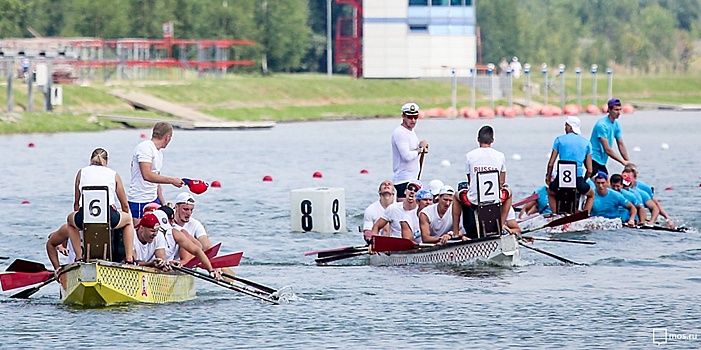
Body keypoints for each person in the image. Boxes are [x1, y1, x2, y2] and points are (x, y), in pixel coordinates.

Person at [46, 148, 136, 272]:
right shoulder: (113, 174)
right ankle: (130, 258)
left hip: (85, 214)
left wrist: (80, 221)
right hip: (109, 216)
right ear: (107, 160)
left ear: (90, 160)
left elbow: (76, 203)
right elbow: (124, 205)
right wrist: (124, 215)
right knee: (128, 220)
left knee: (70, 221)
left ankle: (78, 257)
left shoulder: (81, 172)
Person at [127, 122, 184, 227]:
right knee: (141, 232)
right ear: (167, 137)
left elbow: (156, 180)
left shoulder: (159, 153)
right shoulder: (145, 148)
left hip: (153, 198)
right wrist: (172, 181)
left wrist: (163, 203)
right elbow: (147, 175)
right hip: (140, 198)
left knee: (160, 228)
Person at [459, 125, 512, 229]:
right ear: (492, 140)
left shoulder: (469, 155)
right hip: (495, 199)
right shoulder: (500, 155)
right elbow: (502, 181)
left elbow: (470, 181)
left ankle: (456, 231)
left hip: (474, 199)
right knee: (509, 193)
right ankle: (501, 224)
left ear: (478, 139)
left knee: (456, 196)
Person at [153, 207, 221, 280]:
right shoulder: (148, 235)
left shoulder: (174, 232)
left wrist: (210, 270)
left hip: (166, 267)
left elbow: (197, 249)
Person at [545, 116, 595, 214]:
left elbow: (551, 164)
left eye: (566, 126)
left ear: (570, 127)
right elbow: (589, 170)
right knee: (591, 194)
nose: (565, 128)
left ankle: (555, 214)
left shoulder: (559, 140)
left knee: (550, 192)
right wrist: (583, 180)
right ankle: (585, 214)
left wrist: (549, 178)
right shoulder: (587, 143)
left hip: (561, 179)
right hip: (578, 179)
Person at [392, 102, 428, 202]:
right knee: (404, 213)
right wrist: (420, 150)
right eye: (409, 117)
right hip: (403, 180)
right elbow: (406, 156)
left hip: (413, 178)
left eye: (415, 117)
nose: (413, 120)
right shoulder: (400, 133)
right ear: (403, 116)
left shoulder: (411, 131)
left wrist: (421, 146)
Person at [624, 163, 675, 228]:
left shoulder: (644, 188)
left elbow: (655, 205)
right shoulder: (619, 187)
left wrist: (666, 219)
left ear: (635, 176)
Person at [589, 98, 630, 176]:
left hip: (602, 160)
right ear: (609, 110)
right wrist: (623, 162)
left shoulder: (616, 124)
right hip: (593, 157)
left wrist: (628, 162)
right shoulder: (601, 125)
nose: (618, 113)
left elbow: (620, 144)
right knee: (600, 181)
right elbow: (607, 149)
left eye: (620, 110)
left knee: (604, 181)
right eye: (616, 110)